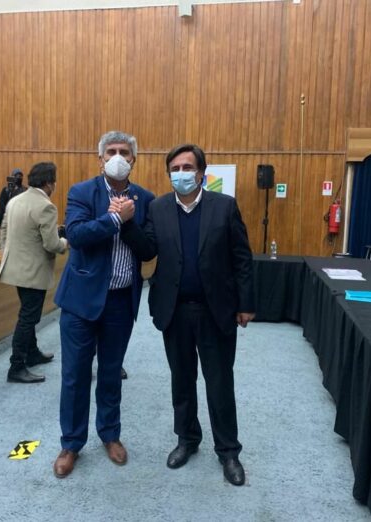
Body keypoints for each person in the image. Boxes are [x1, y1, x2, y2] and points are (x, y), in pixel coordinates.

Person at [125, 143, 255, 486]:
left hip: (216, 311)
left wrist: (245, 304)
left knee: (219, 383)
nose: (181, 173)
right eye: (175, 169)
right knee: (181, 381)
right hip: (175, 311)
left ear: (201, 173)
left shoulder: (224, 206)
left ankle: (228, 451)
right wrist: (127, 225)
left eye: (187, 167)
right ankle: (187, 439)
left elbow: (242, 258)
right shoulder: (158, 208)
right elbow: (148, 249)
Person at [52, 130, 154, 478]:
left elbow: (148, 249)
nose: (118, 157)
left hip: (120, 302)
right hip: (80, 302)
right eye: (111, 151)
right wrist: (113, 219)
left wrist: (128, 221)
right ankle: (71, 443)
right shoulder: (82, 192)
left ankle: (110, 435)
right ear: (100, 159)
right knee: (75, 375)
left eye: (124, 151)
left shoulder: (145, 199)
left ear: (134, 159)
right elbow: (76, 235)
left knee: (111, 373)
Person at [0, 162, 68, 384]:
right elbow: (51, 244)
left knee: (28, 313)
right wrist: (66, 242)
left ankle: (33, 353)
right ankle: (16, 366)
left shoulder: (15, 200)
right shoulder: (46, 206)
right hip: (33, 272)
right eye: (54, 181)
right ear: (48, 183)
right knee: (28, 318)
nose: (54, 185)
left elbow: (3, 231)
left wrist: (6, 255)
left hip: (15, 268)